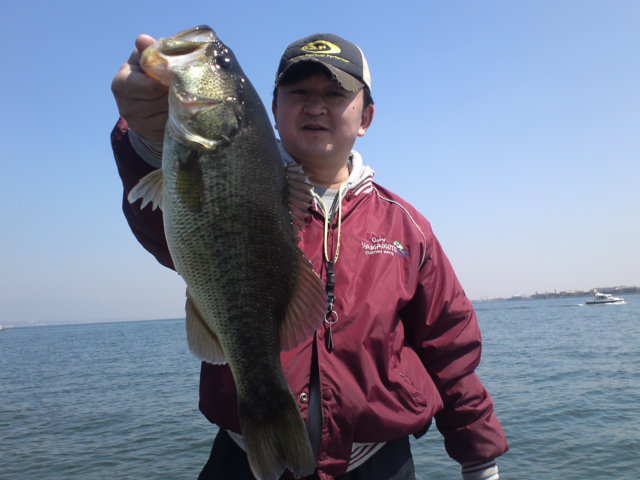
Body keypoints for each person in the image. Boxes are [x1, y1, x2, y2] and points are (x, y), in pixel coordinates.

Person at [111, 31, 508, 480]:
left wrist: (479, 460)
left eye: (335, 94)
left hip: (377, 463)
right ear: (274, 109)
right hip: (244, 457)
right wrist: (147, 142)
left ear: (366, 117)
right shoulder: (221, 174)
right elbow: (166, 226)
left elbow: (449, 349)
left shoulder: (406, 227)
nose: (316, 107)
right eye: (299, 92)